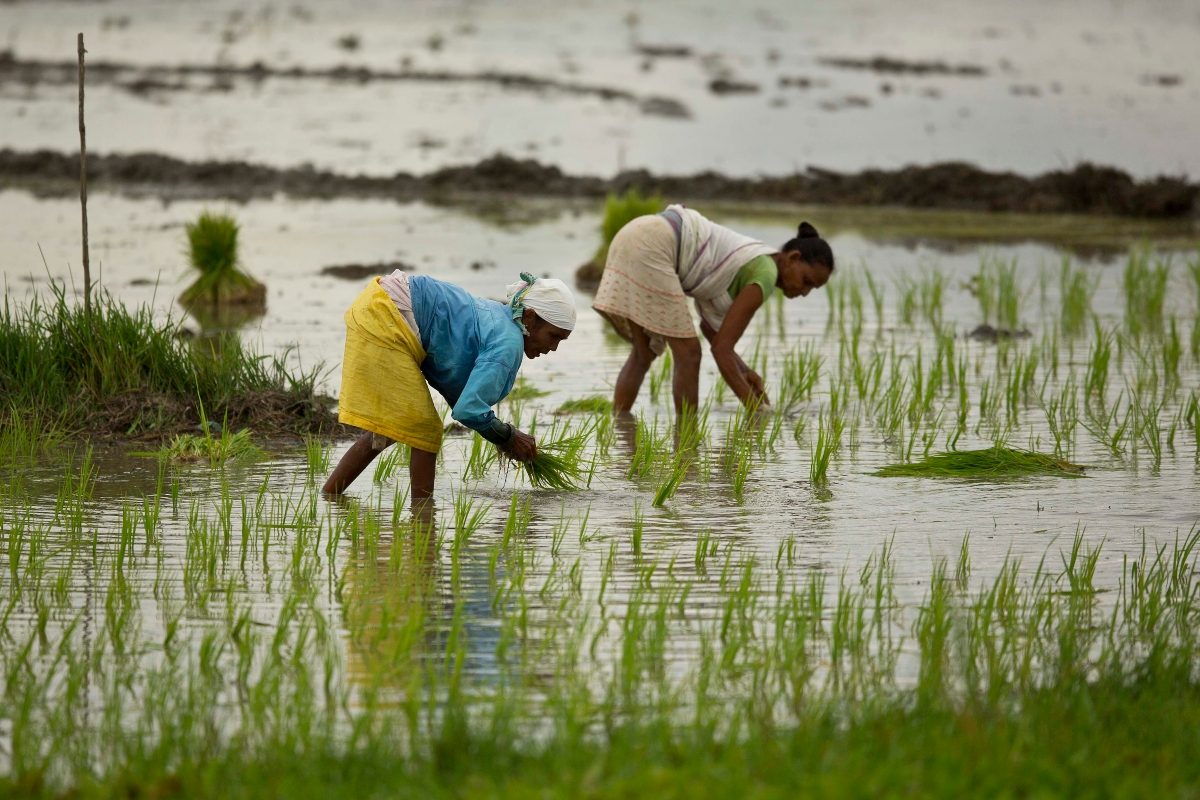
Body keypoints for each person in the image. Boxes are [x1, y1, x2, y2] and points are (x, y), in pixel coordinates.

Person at [322, 270, 575, 499]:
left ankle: (330, 497)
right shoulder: (508, 344)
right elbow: (468, 410)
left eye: (562, 341)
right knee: (425, 428)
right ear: (529, 318)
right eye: (553, 336)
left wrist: (502, 437)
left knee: (390, 428)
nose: (553, 347)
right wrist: (508, 436)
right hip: (388, 315)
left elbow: (461, 393)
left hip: (378, 303)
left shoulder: (497, 317)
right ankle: (422, 522)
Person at [593, 207, 834, 416]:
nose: (805, 292)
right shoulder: (766, 275)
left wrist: (745, 372)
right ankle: (687, 445)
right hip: (655, 245)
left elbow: (714, 335)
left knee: (643, 353)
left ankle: (620, 428)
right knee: (689, 354)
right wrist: (757, 410)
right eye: (807, 281)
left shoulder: (757, 260)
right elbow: (721, 349)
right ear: (793, 258)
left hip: (634, 233)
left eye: (813, 288)